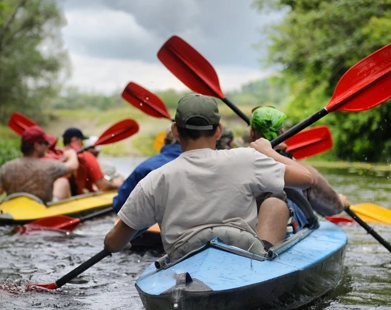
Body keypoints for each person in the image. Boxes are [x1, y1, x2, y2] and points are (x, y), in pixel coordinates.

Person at [104, 94, 313, 259]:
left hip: (183, 257)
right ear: (219, 131)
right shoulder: (246, 158)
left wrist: (118, 239)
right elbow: (306, 179)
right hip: (243, 250)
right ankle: (267, 252)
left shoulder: (155, 179)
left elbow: (114, 244)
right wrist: (270, 152)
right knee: (275, 196)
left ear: (175, 131)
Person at [249, 106, 349, 217]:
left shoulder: (236, 160)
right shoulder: (301, 173)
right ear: (282, 132)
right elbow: (332, 208)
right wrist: (341, 203)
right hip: (283, 228)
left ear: (251, 133)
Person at [0, 126, 79, 204]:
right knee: (63, 182)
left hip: (13, 216)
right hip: (40, 215)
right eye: (45, 143)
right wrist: (71, 153)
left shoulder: (7, 168)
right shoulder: (50, 167)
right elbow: (73, 166)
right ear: (36, 146)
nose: (47, 146)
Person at [112, 129, 182, 213]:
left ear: (164, 141)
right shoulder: (199, 165)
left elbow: (121, 204)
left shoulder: (145, 168)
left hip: (150, 222)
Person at [53, 127, 123, 199]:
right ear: (75, 140)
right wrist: (117, 185)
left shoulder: (55, 155)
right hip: (73, 201)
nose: (83, 144)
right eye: (81, 140)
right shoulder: (86, 156)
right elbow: (104, 186)